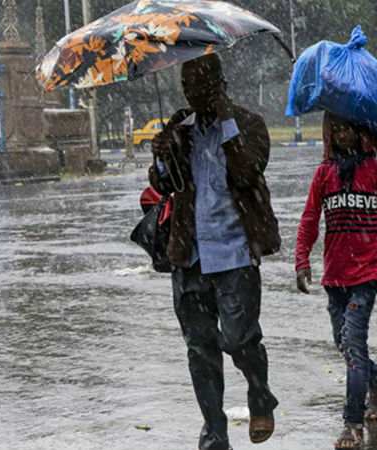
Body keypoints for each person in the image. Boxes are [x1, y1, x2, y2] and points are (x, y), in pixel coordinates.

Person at [148, 53, 280, 450]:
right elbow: (163, 184)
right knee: (200, 349)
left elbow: (247, 172)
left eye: (201, 86)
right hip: (189, 255)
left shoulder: (249, 125)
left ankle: (260, 396)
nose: (192, 94)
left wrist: (226, 123)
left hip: (236, 253)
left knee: (240, 340)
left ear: (219, 85)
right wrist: (162, 153)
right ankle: (214, 433)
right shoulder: (180, 129)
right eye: (186, 87)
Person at [295, 112, 377, 449]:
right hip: (334, 276)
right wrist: (301, 260)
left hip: (366, 276)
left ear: (361, 132)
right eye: (336, 129)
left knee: (354, 346)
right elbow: (310, 219)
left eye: (348, 129)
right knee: (343, 344)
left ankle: (352, 424)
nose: (342, 135)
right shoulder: (324, 174)